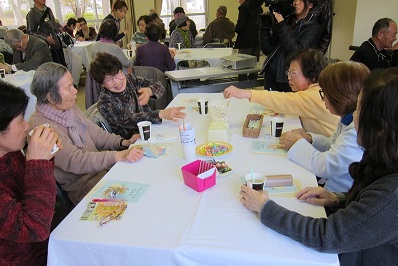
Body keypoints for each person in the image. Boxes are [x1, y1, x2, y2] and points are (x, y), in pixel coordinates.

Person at [239, 67, 398, 266]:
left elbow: (327, 235)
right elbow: (369, 213)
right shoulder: (382, 155)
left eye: (359, 109)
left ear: (381, 128)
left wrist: (265, 208)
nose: (354, 115)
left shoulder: (391, 194)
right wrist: (338, 199)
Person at [29, 62, 144, 205]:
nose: (75, 90)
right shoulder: (42, 128)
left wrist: (123, 142)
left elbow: (95, 133)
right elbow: (76, 161)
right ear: (51, 97)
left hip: (102, 175)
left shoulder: (67, 107)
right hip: (85, 189)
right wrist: (117, 156)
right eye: (69, 87)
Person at [279, 61, 369, 192]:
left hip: (339, 194)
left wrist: (297, 143)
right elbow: (333, 144)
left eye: (325, 94)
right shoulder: (347, 119)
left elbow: (326, 166)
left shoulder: (355, 131)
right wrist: (310, 138)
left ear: (339, 96)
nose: (323, 99)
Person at [0, 80, 62, 265]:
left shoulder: (10, 154)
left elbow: (35, 196)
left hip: (46, 248)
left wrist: (46, 156)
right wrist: (39, 163)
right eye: (20, 120)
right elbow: (34, 228)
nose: (27, 126)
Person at [224, 48, 339, 137]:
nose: (289, 78)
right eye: (288, 72)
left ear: (312, 76)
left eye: (293, 73)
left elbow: (283, 100)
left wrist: (247, 93)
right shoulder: (317, 89)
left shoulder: (316, 95)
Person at [89, 52, 186, 139]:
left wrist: (149, 90)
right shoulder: (105, 102)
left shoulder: (131, 80)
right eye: (109, 79)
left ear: (122, 70)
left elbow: (159, 85)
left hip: (151, 132)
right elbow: (129, 119)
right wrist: (161, 114)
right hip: (132, 144)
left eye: (117, 74)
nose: (117, 82)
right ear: (102, 84)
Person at [259, 0, 322, 92]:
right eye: (294, 0)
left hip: (289, 78)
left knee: (286, 105)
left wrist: (281, 24)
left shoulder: (313, 28)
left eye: (301, 0)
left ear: (310, 5)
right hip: (271, 75)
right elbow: (267, 49)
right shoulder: (287, 22)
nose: (296, 3)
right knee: (269, 105)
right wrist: (263, 28)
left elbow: (296, 52)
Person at [26, 0, 66, 67]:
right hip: (44, 47)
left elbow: (52, 23)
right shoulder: (32, 14)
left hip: (56, 43)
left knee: (61, 66)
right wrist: (45, 37)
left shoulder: (48, 10)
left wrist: (59, 26)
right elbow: (31, 32)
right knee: (51, 69)